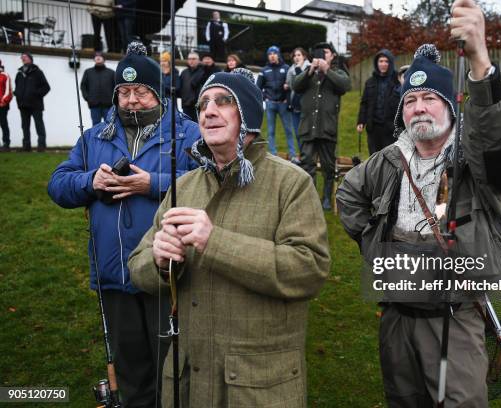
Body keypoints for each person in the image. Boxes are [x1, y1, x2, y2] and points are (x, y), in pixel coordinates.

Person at [336, 0, 501, 405]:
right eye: (410, 100)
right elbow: (348, 194)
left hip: (455, 319)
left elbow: (500, 142)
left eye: (430, 98)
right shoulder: (388, 160)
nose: (419, 106)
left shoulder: (472, 160)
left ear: (450, 108)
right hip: (396, 318)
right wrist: (375, 243)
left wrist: (479, 61)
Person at [128, 68, 330, 407]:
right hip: (188, 382)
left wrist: (214, 242)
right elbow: (138, 266)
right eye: (203, 104)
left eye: (223, 102)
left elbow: (308, 269)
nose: (208, 111)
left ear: (248, 115)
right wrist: (160, 262)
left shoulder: (291, 184)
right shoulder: (184, 187)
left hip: (257, 387)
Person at [48, 42, 201, 407]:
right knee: (132, 377)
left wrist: (152, 183)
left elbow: (209, 184)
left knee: (174, 372)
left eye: (141, 92)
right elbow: (58, 184)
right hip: (114, 277)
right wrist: (90, 182)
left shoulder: (188, 134)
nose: (132, 101)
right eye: (124, 92)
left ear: (158, 93)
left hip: (168, 275)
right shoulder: (94, 138)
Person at [293, 42, 351, 211]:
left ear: (332, 56)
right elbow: (296, 85)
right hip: (307, 128)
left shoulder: (337, 73)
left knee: (328, 167)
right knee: (307, 165)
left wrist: (327, 70)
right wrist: (310, 70)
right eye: (320, 53)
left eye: (326, 52)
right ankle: (310, 199)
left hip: (327, 128)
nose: (322, 55)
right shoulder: (307, 73)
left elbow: (345, 85)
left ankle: (326, 198)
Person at [256, 45, 298, 163]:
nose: (272, 56)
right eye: (270, 54)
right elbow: (258, 88)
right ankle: (273, 154)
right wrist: (265, 98)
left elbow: (291, 85)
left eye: (274, 53)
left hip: (283, 104)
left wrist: (287, 99)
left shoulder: (286, 68)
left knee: (289, 130)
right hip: (270, 104)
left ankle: (293, 154)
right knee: (271, 131)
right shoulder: (264, 70)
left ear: (278, 55)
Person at [357, 49, 401, 155]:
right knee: (374, 157)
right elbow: (364, 103)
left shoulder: (397, 81)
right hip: (373, 127)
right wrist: (361, 121)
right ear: (377, 63)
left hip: (390, 128)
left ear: (390, 63)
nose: (383, 64)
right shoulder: (370, 82)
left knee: (390, 157)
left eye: (386, 61)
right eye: (380, 61)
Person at [14, 52, 50, 152]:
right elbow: (17, 87)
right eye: (22, 57)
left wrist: (36, 95)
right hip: (23, 105)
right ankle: (26, 147)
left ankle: (41, 146)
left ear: (30, 59)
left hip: (36, 105)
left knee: (39, 126)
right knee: (25, 127)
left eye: (25, 57)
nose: (23, 59)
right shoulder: (19, 74)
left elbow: (46, 87)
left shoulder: (38, 72)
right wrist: (17, 94)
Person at [286, 47, 310, 156]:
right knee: (297, 133)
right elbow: (291, 85)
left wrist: (298, 68)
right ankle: (302, 155)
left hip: (306, 106)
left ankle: (307, 156)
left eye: (299, 55)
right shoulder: (291, 70)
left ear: (304, 56)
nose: (296, 58)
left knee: (305, 133)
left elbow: (303, 84)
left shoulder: (309, 68)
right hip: (295, 105)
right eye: (295, 56)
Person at [81, 52, 115, 125]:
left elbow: (116, 87)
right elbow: (83, 86)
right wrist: (87, 98)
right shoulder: (88, 72)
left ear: (104, 59)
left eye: (100, 56)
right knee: (95, 126)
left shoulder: (111, 73)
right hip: (94, 105)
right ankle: (96, 137)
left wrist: (114, 100)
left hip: (108, 106)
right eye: (96, 56)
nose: (98, 57)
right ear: (94, 59)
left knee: (109, 126)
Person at [178, 51, 202, 121]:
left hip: (198, 105)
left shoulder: (203, 72)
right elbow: (180, 88)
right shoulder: (184, 72)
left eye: (194, 59)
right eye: (190, 59)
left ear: (198, 60)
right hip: (186, 105)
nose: (191, 61)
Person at [0, 60, 12, 151]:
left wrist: (3, 101)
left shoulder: (5, 75)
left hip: (2, 105)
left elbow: (8, 91)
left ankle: (6, 143)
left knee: (3, 124)